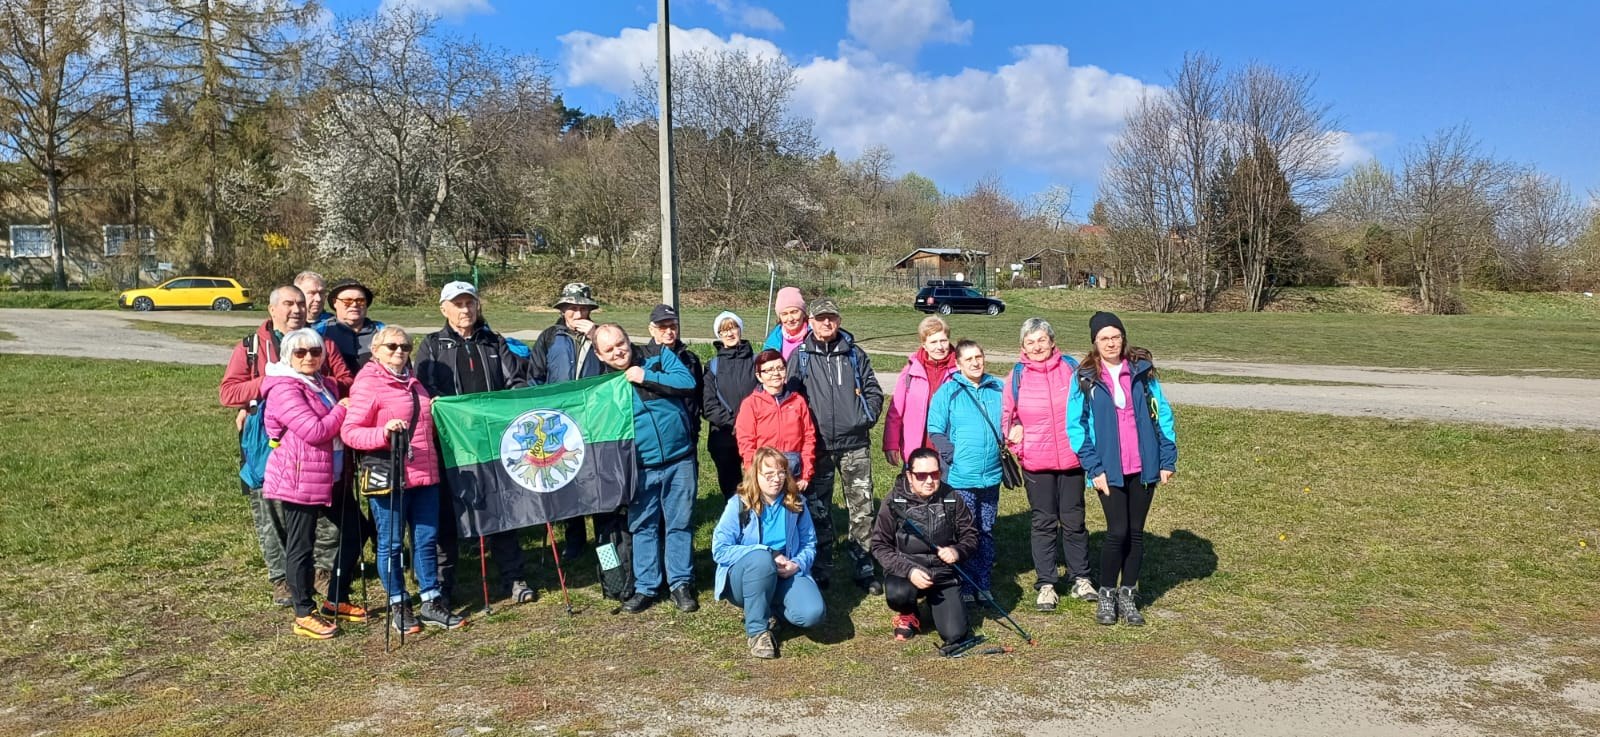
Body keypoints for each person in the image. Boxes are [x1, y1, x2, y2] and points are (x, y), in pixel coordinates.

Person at [219, 284, 352, 606]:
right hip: (268, 442)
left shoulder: (322, 344)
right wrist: (272, 382)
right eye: (289, 304)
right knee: (273, 512)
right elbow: (228, 392)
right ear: (272, 309)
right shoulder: (252, 346)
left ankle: (322, 571)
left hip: (318, 445)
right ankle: (282, 578)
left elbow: (345, 381)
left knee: (327, 510)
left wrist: (319, 385)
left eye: (301, 304)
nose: (296, 310)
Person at [414, 281, 536, 610]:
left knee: (502, 508)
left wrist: (507, 407)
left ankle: (514, 577)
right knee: (447, 515)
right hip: (452, 444)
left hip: (493, 443)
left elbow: (516, 382)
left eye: (470, 303)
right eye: (458, 304)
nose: (465, 309)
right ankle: (443, 585)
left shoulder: (494, 341)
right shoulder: (432, 345)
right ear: (444, 309)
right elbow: (425, 389)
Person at [340, 326, 465, 632]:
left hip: (425, 475)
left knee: (426, 540)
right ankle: (399, 604)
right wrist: (382, 433)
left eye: (405, 347)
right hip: (389, 476)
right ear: (375, 351)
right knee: (392, 543)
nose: (399, 352)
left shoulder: (414, 383)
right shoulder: (368, 384)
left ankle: (431, 600)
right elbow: (350, 431)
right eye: (392, 346)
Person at [1069, 311, 1178, 627]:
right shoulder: (1085, 377)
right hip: (1108, 469)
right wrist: (1093, 467)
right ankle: (1107, 594)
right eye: (1104, 338)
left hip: (1144, 465)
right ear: (1095, 342)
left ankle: (1128, 594)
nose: (1110, 343)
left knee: (1136, 533)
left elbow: (1162, 415)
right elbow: (1076, 426)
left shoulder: (1142, 372)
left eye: (1115, 336)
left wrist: (1167, 459)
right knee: (1117, 532)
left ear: (1123, 338)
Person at [261, 327, 363, 639]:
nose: (309, 357)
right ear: (287, 356)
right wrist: (341, 409)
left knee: (358, 530)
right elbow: (315, 431)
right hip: (299, 476)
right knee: (301, 544)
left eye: (315, 351)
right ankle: (303, 612)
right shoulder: (284, 388)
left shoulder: (324, 383)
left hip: (331, 476)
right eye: (300, 352)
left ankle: (335, 598)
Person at [592, 323, 700, 614]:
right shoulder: (603, 387)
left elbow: (687, 382)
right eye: (609, 349)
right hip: (639, 468)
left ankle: (680, 583)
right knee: (643, 526)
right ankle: (646, 587)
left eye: (620, 343)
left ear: (629, 339)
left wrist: (646, 376)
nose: (618, 351)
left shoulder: (658, 356)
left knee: (680, 523)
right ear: (600, 356)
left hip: (680, 459)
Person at [786, 297, 884, 594]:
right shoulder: (801, 356)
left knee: (862, 509)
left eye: (831, 317)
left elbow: (873, 390)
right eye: (820, 318)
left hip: (855, 445)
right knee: (818, 510)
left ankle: (864, 566)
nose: (826, 322)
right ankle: (821, 566)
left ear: (839, 321)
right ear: (811, 322)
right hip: (818, 448)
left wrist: (864, 417)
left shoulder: (854, 354)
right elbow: (792, 399)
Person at [1003, 317, 1095, 611]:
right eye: (1030, 342)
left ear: (1052, 342)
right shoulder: (1017, 376)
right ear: (1023, 347)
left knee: (1074, 520)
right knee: (1043, 523)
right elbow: (1007, 417)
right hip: (1036, 463)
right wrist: (1019, 446)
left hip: (1071, 459)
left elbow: (1089, 408)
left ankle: (1081, 578)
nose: (1037, 347)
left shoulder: (1071, 368)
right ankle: (1046, 583)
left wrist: (1086, 446)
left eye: (1042, 340)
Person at [710, 446, 826, 659]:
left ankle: (768, 607)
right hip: (745, 578)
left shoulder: (797, 502)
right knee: (762, 560)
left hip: (785, 573)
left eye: (781, 473)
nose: (776, 479)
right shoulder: (739, 504)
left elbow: (809, 543)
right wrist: (767, 552)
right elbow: (720, 550)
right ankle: (757, 632)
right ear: (755, 475)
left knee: (813, 614)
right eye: (769, 474)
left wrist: (797, 564)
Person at [870, 448, 977, 648]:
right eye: (921, 475)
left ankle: (939, 603)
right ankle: (908, 612)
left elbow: (971, 535)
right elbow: (879, 545)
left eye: (935, 474)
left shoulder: (952, 497)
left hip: (943, 573)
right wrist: (909, 570)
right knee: (898, 593)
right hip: (906, 571)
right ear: (909, 476)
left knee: (955, 634)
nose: (929, 481)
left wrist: (957, 551)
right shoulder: (894, 501)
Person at [925, 339, 1003, 605]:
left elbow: (1010, 419)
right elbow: (935, 429)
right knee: (965, 532)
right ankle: (965, 585)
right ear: (958, 363)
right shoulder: (948, 392)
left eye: (978, 357)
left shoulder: (997, 388)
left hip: (991, 475)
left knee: (986, 529)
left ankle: (983, 582)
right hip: (961, 477)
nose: (975, 363)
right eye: (969, 359)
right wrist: (953, 456)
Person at [529, 282, 604, 559]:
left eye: (583, 308)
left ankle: (605, 542)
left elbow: (618, 363)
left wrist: (595, 335)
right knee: (567, 480)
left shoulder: (602, 335)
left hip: (595, 422)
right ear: (562, 310)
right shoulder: (549, 337)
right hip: (558, 424)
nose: (578, 313)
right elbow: (535, 378)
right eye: (572, 308)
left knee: (598, 481)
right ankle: (574, 541)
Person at [882, 316, 957, 467]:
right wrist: (891, 444)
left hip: (950, 450)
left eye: (943, 341)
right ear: (924, 344)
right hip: (917, 450)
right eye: (933, 342)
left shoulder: (960, 370)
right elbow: (895, 412)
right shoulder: (910, 371)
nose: (939, 347)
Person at [734, 349, 815, 487]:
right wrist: (753, 471)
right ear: (759, 376)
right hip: (764, 470)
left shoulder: (798, 401)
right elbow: (746, 442)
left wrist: (806, 474)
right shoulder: (751, 404)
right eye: (769, 370)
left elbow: (809, 437)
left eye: (780, 368)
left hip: (793, 470)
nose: (776, 373)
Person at [701, 311, 758, 498]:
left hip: (756, 434)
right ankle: (737, 514)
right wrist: (735, 424)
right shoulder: (713, 366)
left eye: (733, 328)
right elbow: (708, 404)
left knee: (758, 482)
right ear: (719, 335)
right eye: (723, 330)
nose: (729, 333)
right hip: (724, 437)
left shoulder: (756, 361)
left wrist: (750, 424)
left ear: (740, 329)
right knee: (732, 489)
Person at [639, 303, 703, 451]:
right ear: (651, 330)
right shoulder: (643, 360)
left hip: (688, 432)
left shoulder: (691, 359)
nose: (669, 332)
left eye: (673, 326)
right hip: (657, 437)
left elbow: (698, 394)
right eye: (663, 327)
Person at [319, 279, 385, 371]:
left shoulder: (382, 331)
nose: (354, 304)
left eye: (360, 300)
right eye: (347, 301)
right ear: (335, 303)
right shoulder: (321, 331)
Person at [762, 286, 810, 360]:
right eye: (784, 314)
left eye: (794, 312)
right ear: (779, 317)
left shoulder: (816, 337)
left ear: (803, 313)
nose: (790, 319)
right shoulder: (772, 343)